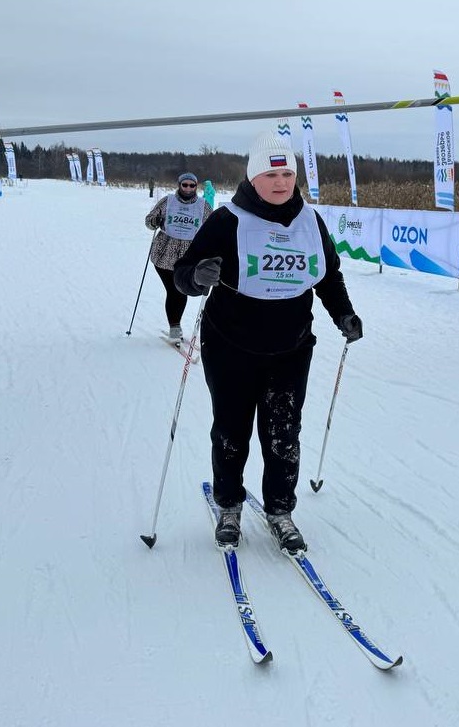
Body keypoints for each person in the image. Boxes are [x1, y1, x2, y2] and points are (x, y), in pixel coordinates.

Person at [174, 132, 363, 554]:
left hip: (290, 347)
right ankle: (229, 506)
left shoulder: (310, 221)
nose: (280, 182)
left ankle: (280, 509)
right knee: (231, 432)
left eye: (287, 173)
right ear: (253, 177)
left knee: (283, 433)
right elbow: (184, 271)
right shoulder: (227, 220)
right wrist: (196, 277)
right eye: (271, 173)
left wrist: (343, 313)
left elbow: (328, 275)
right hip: (230, 346)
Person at [144, 172, 213, 344]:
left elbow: (213, 225)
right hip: (164, 253)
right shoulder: (168, 201)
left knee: (181, 289)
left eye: (192, 185)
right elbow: (149, 220)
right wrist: (154, 221)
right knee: (175, 290)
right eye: (185, 185)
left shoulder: (203, 205)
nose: (188, 188)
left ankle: (175, 326)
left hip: (189, 255)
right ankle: (175, 327)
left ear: (196, 187)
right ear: (179, 185)